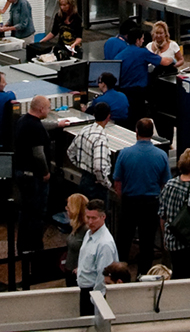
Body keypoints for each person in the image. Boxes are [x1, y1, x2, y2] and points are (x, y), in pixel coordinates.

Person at [13, 96, 70, 273]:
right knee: (37, 214)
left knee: (25, 212)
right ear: (40, 110)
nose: (49, 110)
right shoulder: (35, 127)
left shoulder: (24, 120)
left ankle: (21, 248)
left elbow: (40, 127)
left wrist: (57, 125)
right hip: (34, 178)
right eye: (48, 108)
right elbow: (38, 153)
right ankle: (35, 249)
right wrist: (45, 172)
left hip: (21, 174)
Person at [111, 118, 170, 270]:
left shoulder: (124, 154)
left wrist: (122, 198)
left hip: (129, 202)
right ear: (152, 133)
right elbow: (165, 184)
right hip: (151, 204)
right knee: (147, 242)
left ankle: (120, 272)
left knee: (124, 240)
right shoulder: (161, 155)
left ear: (136, 132)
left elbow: (117, 181)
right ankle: (143, 275)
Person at [157, 148, 190, 279]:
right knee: (187, 273)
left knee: (177, 271)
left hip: (172, 239)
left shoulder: (169, 185)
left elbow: (162, 214)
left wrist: (165, 236)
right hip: (188, 241)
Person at [116, 27, 174, 121]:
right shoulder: (142, 52)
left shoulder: (120, 55)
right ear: (137, 40)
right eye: (142, 39)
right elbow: (164, 62)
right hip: (138, 93)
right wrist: (172, 58)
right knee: (139, 118)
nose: (143, 41)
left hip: (123, 92)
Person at [76, 199, 117, 316]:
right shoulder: (89, 233)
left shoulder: (105, 244)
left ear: (103, 217)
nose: (90, 221)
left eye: (94, 218)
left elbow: (103, 276)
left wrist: (96, 300)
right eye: (87, 217)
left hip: (93, 293)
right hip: (84, 289)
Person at [69, 102, 115, 202]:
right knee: (97, 215)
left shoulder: (85, 130)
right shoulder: (100, 139)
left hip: (84, 179)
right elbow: (98, 168)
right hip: (96, 186)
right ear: (108, 117)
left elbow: (70, 152)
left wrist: (81, 166)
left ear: (94, 115)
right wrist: (107, 184)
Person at [63, 193, 90, 285]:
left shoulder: (87, 230)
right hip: (69, 271)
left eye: (68, 207)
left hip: (79, 275)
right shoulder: (75, 226)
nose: (67, 209)